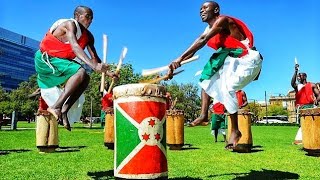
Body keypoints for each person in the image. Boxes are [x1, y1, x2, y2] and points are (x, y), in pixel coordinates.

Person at [167, 1, 262, 148]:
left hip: (246, 59)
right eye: (200, 9)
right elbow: (195, 47)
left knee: (227, 86)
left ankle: (235, 130)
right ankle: (204, 114)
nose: (201, 11)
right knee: (206, 78)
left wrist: (179, 58)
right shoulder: (208, 28)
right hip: (232, 59)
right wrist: (176, 63)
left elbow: (202, 40)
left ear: (216, 9)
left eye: (205, 8)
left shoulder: (223, 20)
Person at [34, 6, 117, 131]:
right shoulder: (69, 24)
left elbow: (95, 58)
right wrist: (93, 66)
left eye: (92, 18)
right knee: (81, 71)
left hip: (61, 62)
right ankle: (56, 106)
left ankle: (64, 109)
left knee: (85, 78)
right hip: (46, 60)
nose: (90, 21)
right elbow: (75, 46)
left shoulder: (89, 36)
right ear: (77, 16)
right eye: (87, 17)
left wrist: (109, 73)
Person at [291, 64, 320, 145]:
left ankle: (308, 139)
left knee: (312, 123)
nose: (298, 77)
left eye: (300, 76)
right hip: (301, 107)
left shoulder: (312, 85)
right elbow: (292, 83)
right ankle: (301, 139)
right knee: (302, 123)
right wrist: (296, 71)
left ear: (305, 77)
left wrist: (316, 101)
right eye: (297, 77)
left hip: (311, 106)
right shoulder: (298, 86)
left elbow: (319, 95)